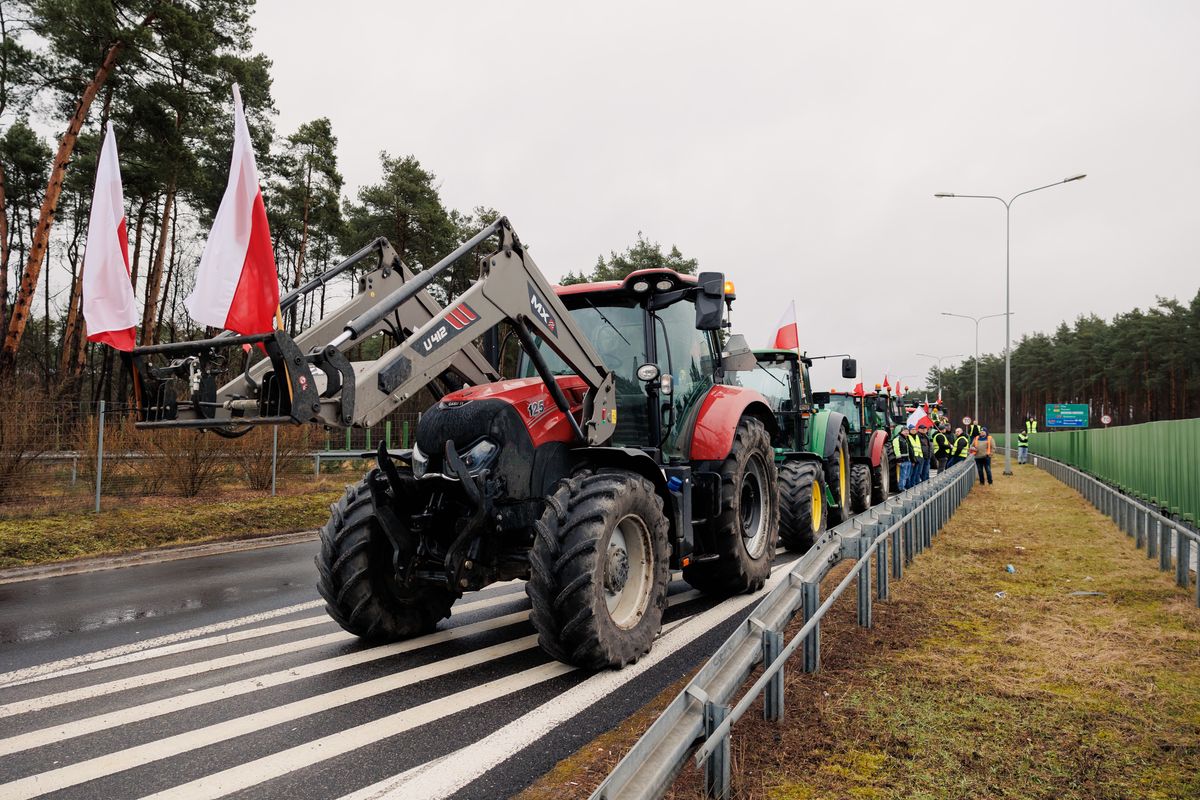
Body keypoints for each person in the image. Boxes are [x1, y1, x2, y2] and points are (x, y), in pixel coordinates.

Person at [891, 425, 914, 490]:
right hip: (903, 461)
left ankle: (904, 487)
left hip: (908, 460)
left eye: (907, 431)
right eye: (905, 431)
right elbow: (896, 449)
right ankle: (901, 488)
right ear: (901, 432)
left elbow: (910, 451)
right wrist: (899, 460)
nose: (906, 432)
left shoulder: (906, 439)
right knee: (902, 475)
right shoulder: (897, 439)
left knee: (907, 475)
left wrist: (912, 460)